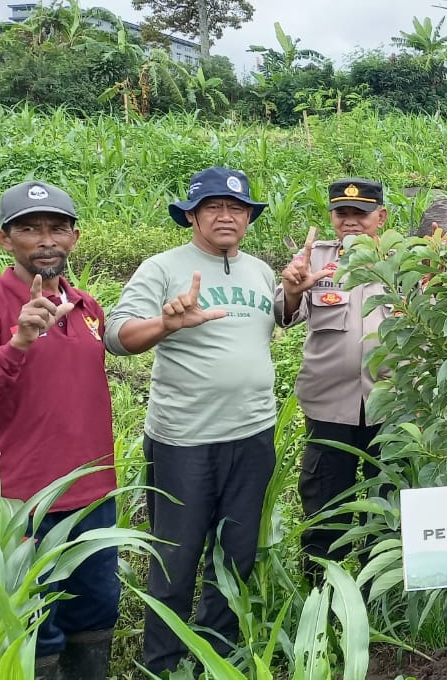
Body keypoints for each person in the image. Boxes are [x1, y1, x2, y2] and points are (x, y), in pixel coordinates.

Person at [104, 166, 277, 674]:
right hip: (185, 441)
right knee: (175, 561)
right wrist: (166, 322)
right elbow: (116, 336)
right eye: (213, 207)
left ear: (248, 217)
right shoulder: (162, 268)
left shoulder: (261, 271)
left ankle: (214, 658)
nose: (226, 216)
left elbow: (274, 324)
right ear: (192, 216)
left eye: (237, 208)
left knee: (235, 558)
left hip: (254, 434)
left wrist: (290, 292)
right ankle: (162, 663)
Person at [0, 182, 116, 680]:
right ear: (3, 238)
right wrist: (18, 342)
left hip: (95, 490)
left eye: (57, 228)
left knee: (96, 609)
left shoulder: (88, 307)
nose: (45, 240)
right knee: (36, 622)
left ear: (74, 237)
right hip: (21, 500)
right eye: (29, 229)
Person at [276, 178, 389, 578]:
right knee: (325, 498)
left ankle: (379, 588)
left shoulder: (404, 260)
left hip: (389, 405)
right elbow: (284, 315)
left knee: (385, 498)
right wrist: (292, 290)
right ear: (332, 218)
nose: (352, 222)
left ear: (381, 216)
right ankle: (323, 587)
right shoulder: (314, 260)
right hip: (329, 404)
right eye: (343, 214)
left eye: (361, 214)